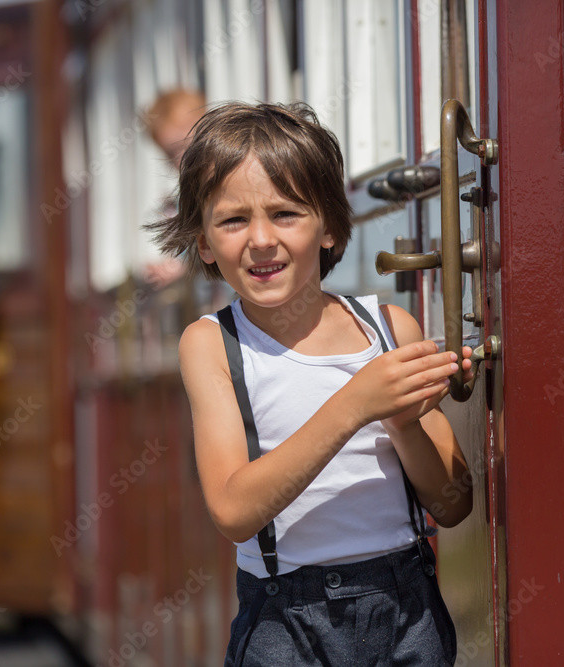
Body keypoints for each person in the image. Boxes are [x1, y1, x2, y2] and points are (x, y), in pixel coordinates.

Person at [144, 101, 473, 666]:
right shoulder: (213, 345)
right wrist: (355, 405)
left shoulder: (390, 329)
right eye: (232, 220)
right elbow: (232, 510)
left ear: (330, 226)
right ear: (202, 242)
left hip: (408, 608)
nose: (261, 239)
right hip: (285, 623)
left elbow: (453, 503)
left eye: (287, 213)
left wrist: (400, 422)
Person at [141, 88, 207, 288]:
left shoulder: (222, 187)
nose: (182, 159)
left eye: (187, 146)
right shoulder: (180, 201)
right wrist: (170, 264)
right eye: (172, 154)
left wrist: (184, 265)